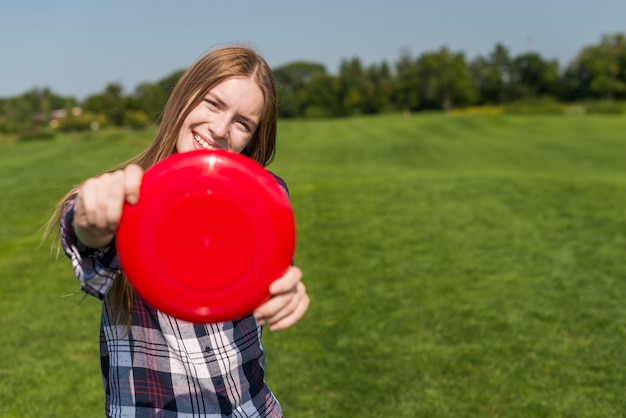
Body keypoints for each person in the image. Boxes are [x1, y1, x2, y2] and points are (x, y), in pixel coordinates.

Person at [48, 46, 309, 417]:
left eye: (242, 123)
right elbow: (87, 237)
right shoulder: (128, 194)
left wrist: (287, 292)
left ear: (252, 137)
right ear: (185, 97)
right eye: (213, 104)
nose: (220, 129)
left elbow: (274, 277)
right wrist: (89, 223)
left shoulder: (264, 197)